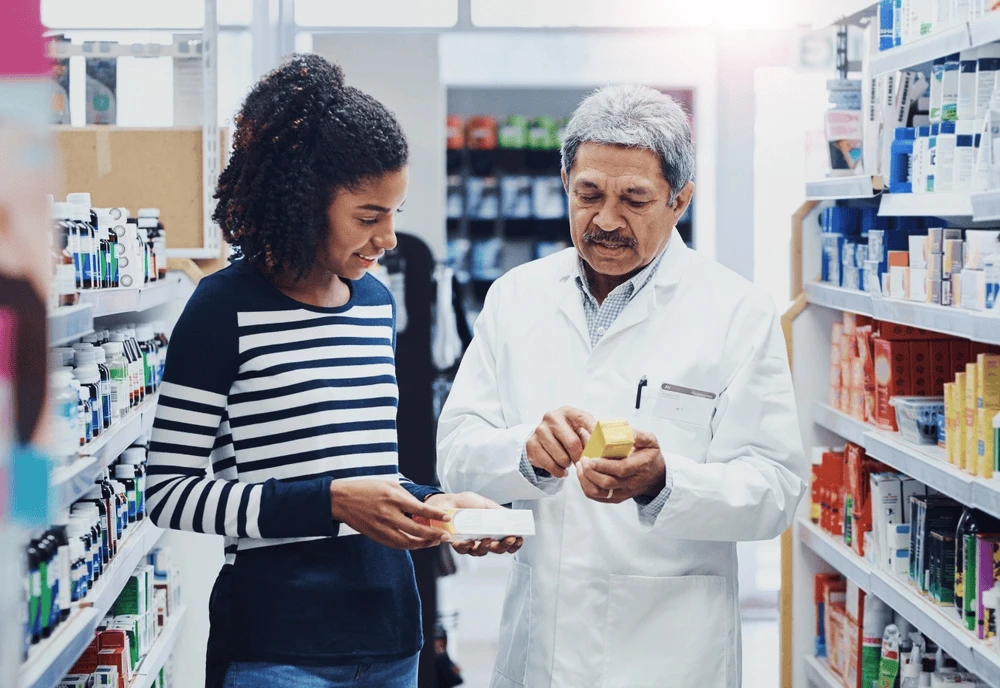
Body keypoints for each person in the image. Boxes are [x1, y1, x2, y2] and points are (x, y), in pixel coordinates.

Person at [145, 54, 521, 688]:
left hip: (393, 638)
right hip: (276, 650)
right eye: (369, 217)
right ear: (301, 202)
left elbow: (372, 475)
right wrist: (332, 503)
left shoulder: (375, 304)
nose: (390, 239)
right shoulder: (221, 308)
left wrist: (437, 505)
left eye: (394, 213)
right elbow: (169, 491)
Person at [437, 84, 807, 688]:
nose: (606, 220)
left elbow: (774, 489)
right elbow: (456, 451)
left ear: (680, 199)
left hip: (669, 653)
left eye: (634, 199)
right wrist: (524, 454)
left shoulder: (736, 310)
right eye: (589, 194)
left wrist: (666, 481)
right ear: (565, 183)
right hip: (543, 646)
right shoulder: (515, 298)